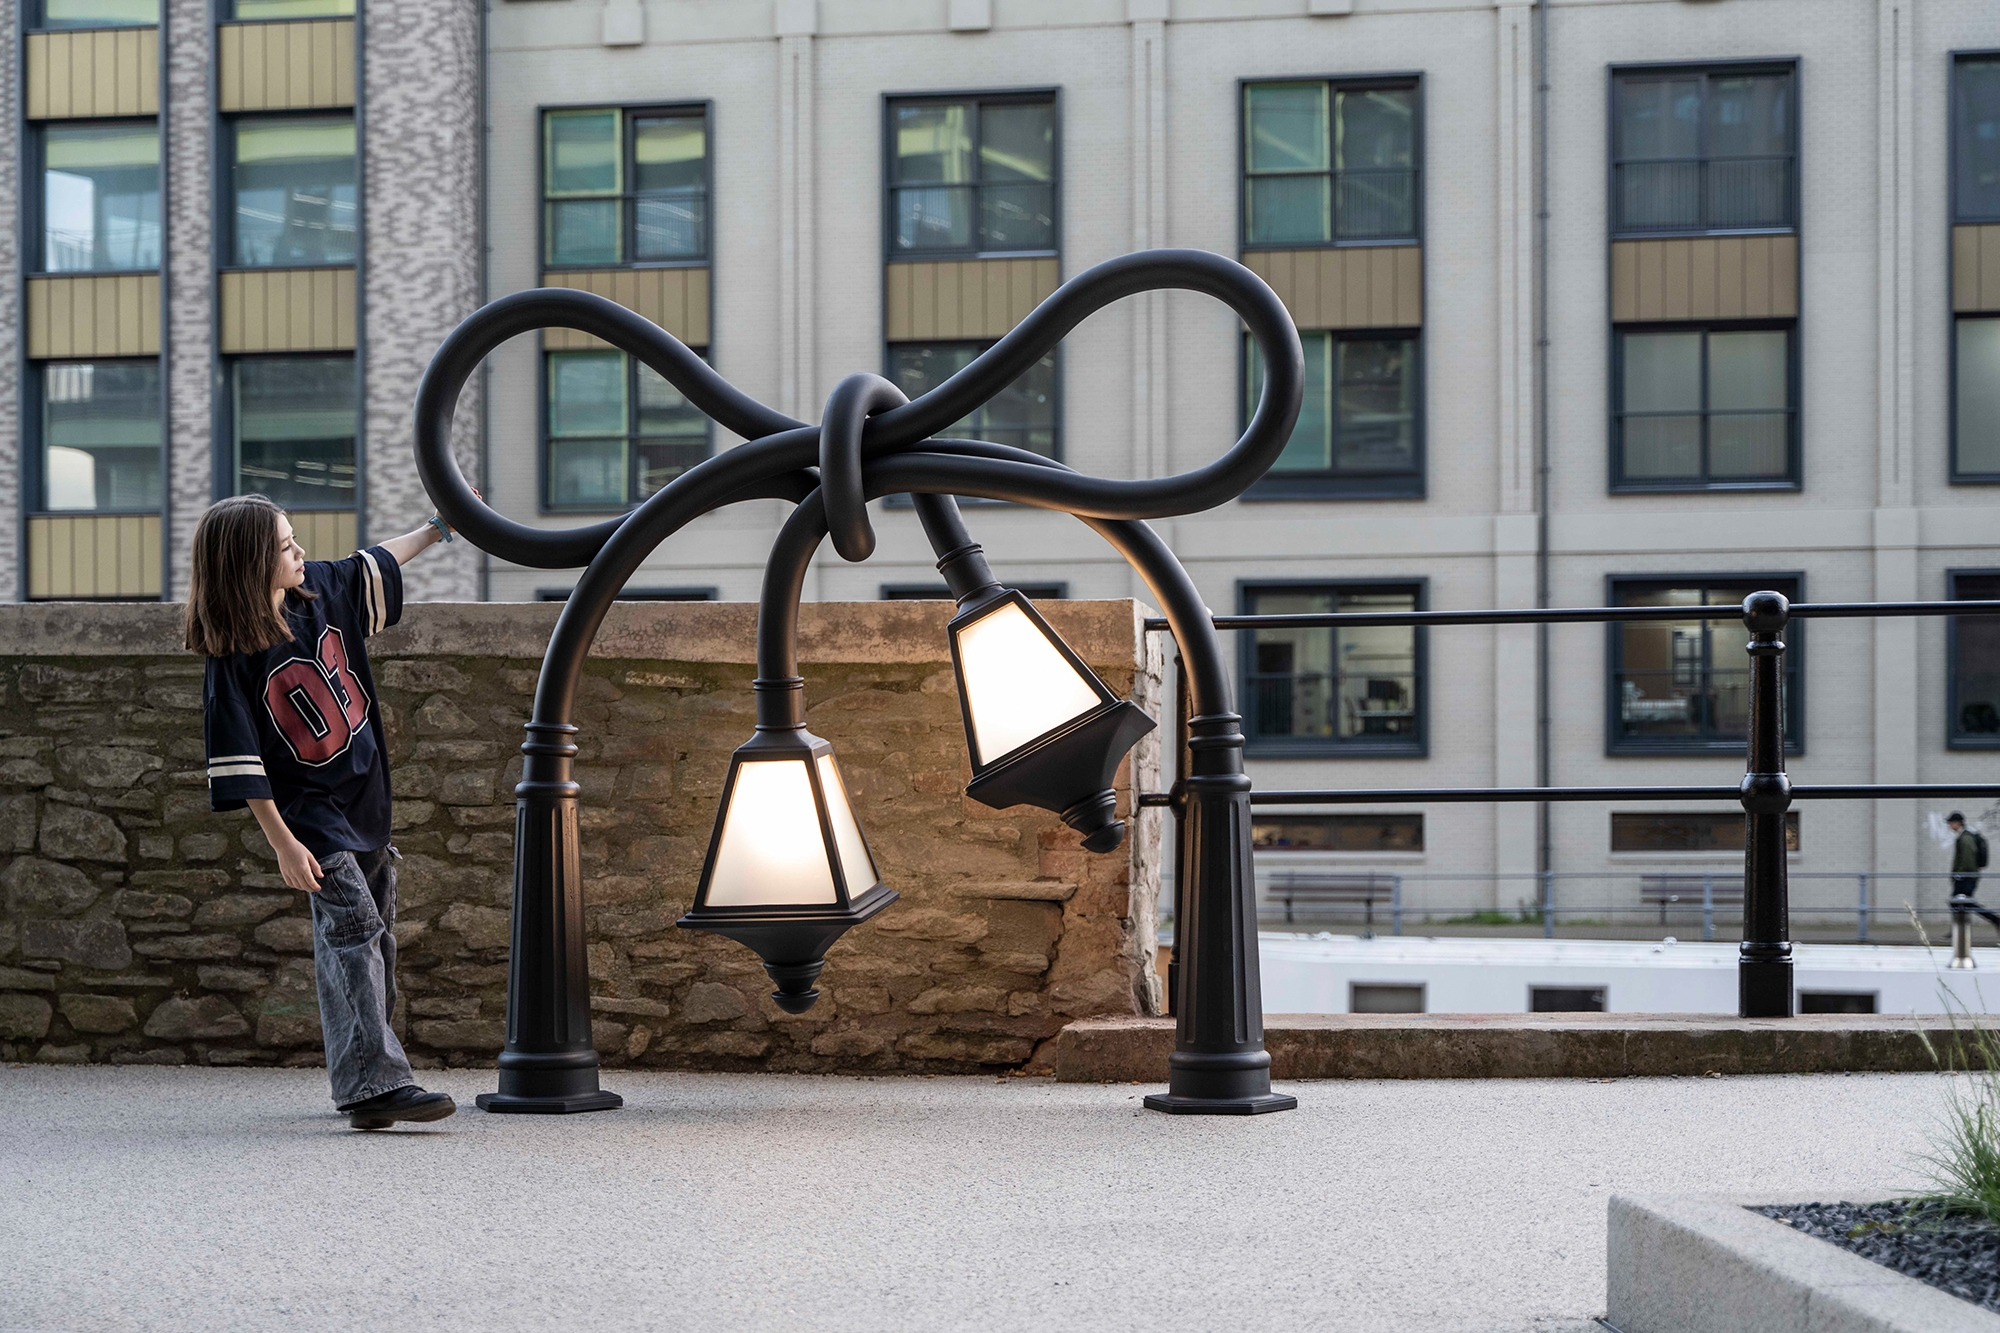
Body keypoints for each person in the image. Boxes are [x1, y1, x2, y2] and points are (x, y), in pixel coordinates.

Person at [185, 494, 461, 1130]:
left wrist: (441, 527)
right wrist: (282, 842)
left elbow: (377, 561)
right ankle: (374, 1084)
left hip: (366, 797)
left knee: (376, 940)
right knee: (354, 930)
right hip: (309, 816)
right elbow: (241, 760)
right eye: (285, 547)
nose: (300, 553)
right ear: (251, 565)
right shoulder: (233, 657)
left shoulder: (323, 592)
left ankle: (366, 1078)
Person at [1947, 812, 1998, 935]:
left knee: (1960, 902)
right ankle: (1958, 930)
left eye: (1951, 823)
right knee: (1962, 903)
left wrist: (1960, 874)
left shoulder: (1965, 838)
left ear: (1958, 823)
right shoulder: (1965, 836)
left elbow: (1967, 858)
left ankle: (1994, 919)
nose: (1949, 826)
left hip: (1966, 876)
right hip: (1968, 875)